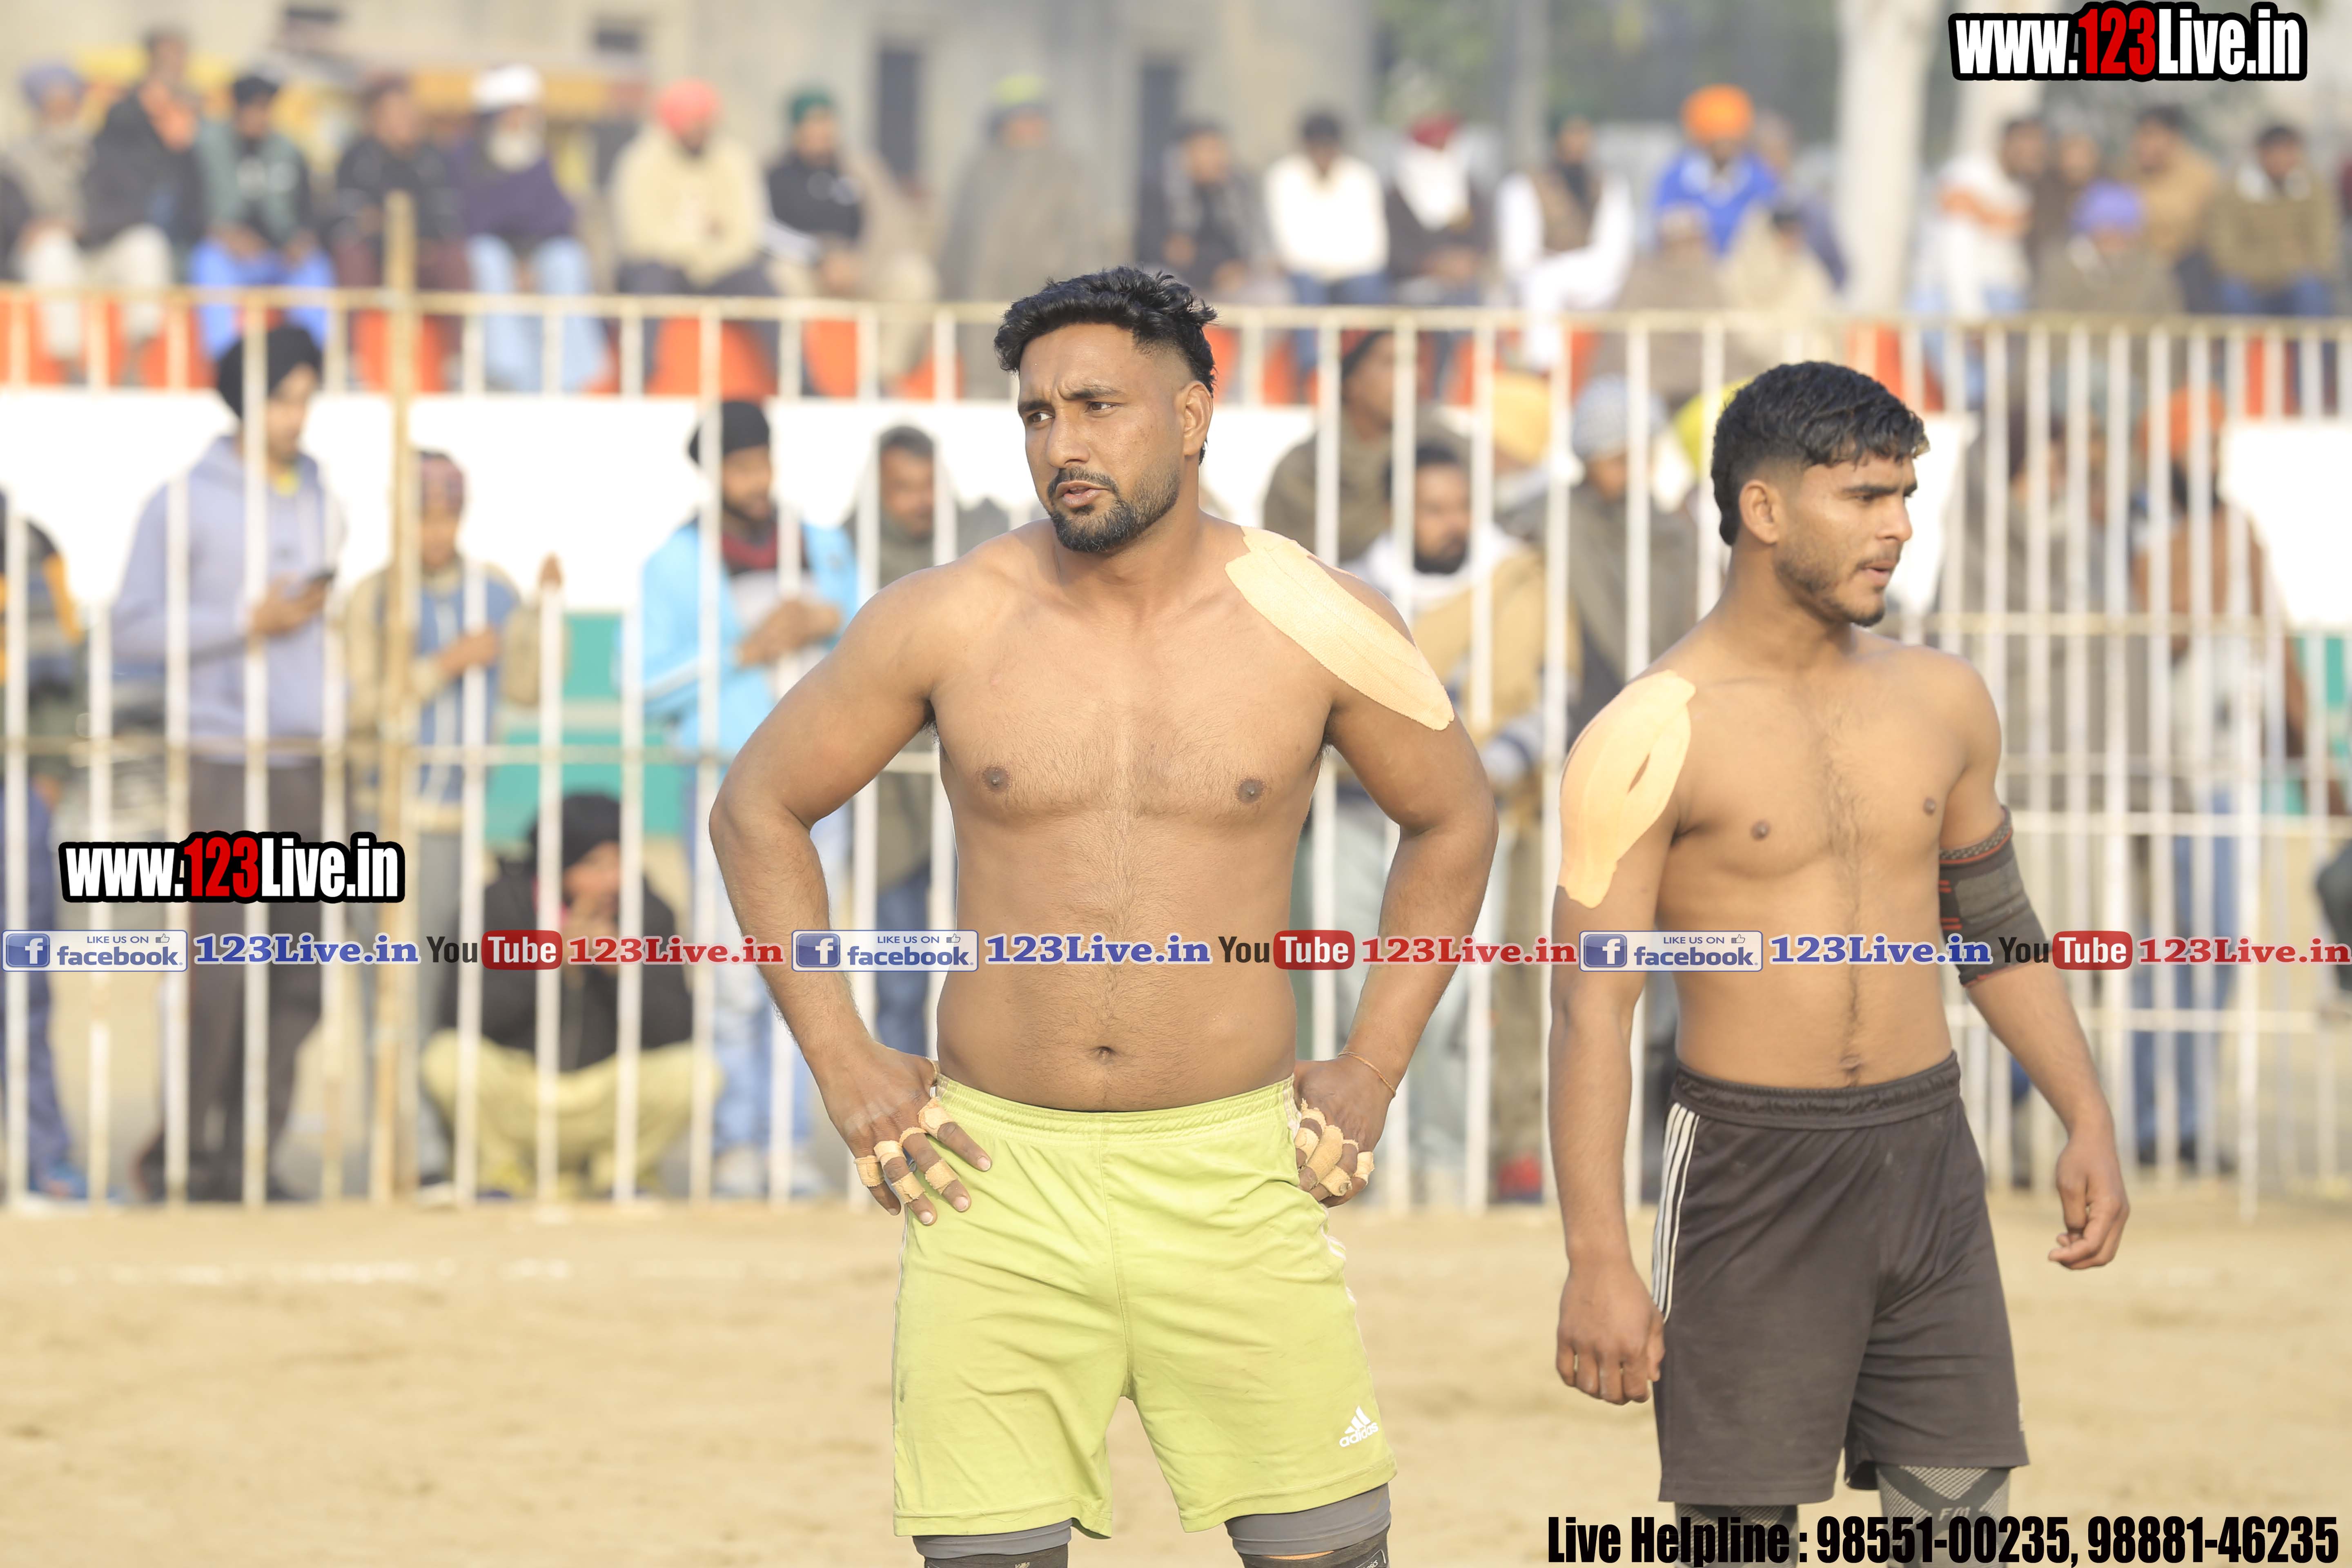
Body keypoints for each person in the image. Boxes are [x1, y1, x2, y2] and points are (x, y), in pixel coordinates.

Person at [711, 264, 1492, 1566]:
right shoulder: (948, 615)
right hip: (991, 1181)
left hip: (1236, 1174)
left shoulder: (1321, 618)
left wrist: (1371, 1067)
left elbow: (1456, 816)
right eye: (1037, 414)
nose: (1061, 445)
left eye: (1096, 407)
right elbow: (757, 807)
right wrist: (843, 1060)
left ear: (1192, 417)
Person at [1549, 360, 2128, 1524]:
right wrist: (1597, 1256)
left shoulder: (1944, 700)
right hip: (1750, 1169)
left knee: (1960, 1522)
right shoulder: (1648, 731)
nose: (1898, 527)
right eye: (1865, 496)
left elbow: (1993, 931)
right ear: (1762, 510)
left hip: (1928, 1155)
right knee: (1738, 1535)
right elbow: (1589, 1007)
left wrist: (2086, 1114)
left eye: (1904, 495)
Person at [115, 326, 341, 1203]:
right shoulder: (182, 504)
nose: (297, 417)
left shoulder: (321, 496)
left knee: (297, 971)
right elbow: (132, 630)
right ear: (246, 401)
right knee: (217, 967)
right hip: (221, 759)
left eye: (306, 399)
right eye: (284, 399)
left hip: (305, 762)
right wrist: (244, 624)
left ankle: (254, 1154)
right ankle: (185, 1152)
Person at [639, 400, 861, 1199]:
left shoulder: (821, 545)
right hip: (726, 781)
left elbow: (877, 643)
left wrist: (830, 620)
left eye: (762, 461)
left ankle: (788, 1145)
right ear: (713, 474)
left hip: (820, 783)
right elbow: (643, 681)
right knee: (735, 972)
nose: (756, 479)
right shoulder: (675, 562)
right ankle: (733, 1143)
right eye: (739, 466)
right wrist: (744, 651)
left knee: (806, 966)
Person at [1336, 440, 1545, 1202]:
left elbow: (1548, 697)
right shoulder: (1351, 590)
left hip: (1468, 823)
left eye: (1461, 506)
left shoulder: (1516, 581)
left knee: (1450, 1002)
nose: (1452, 522)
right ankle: (1364, 1166)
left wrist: (1479, 777)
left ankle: (1447, 1169)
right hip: (1356, 818)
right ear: (1399, 511)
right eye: (1434, 509)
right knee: (1350, 991)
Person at [345, 450, 557, 1081]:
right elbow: (357, 710)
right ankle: (397, 1128)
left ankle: (433, 1126)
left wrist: (544, 615)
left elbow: (527, 688)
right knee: (390, 982)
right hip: (385, 816)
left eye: (447, 517)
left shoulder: (492, 591)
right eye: (423, 517)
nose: (436, 532)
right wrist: (443, 665)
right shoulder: (372, 598)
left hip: (458, 818)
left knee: (443, 982)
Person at [422, 793, 698, 1198]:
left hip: (605, 1097)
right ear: (559, 861)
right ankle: (500, 1171)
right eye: (596, 865)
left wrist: (621, 970)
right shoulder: (498, 904)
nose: (613, 880)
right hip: (522, 1094)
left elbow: (676, 1030)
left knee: (695, 1071)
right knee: (447, 1060)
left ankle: (620, 1174)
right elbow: (463, 1016)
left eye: (621, 863)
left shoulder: (649, 911)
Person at [860, 427, 1011, 1059]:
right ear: (877, 490)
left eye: (928, 486)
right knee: (899, 982)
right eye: (903, 488)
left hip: (973, 789)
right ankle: (905, 1097)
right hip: (888, 798)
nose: (919, 501)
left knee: (986, 973)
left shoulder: (980, 545)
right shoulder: (848, 554)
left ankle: (975, 1097)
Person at [6, 62, 174, 375]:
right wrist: (47, 230)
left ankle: (134, 365)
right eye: (54, 107)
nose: (62, 115)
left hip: (99, 251)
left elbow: (131, 208)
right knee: (51, 248)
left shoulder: (103, 151)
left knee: (146, 243)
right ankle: (72, 367)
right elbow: (15, 225)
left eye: (68, 106)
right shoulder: (14, 162)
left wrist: (80, 226)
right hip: (47, 263)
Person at [938, 77, 1110, 374]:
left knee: (1041, 376)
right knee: (984, 374)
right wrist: (946, 288)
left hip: (1045, 296)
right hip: (983, 301)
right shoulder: (980, 170)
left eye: (1033, 116)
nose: (1026, 126)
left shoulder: (1067, 170)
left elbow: (1086, 239)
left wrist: (1082, 299)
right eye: (1018, 117)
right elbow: (957, 239)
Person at [613, 78, 778, 378]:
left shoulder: (735, 159)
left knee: (761, 284)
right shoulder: (641, 161)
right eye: (691, 121)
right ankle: (638, 377)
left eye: (705, 121)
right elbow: (641, 236)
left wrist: (706, 255)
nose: (699, 129)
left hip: (721, 268)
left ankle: (798, 380)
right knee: (649, 279)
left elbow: (747, 234)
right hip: (663, 267)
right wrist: (700, 241)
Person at [456, 65, 604, 392]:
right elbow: (472, 219)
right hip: (494, 251)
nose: (523, 120)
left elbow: (557, 218)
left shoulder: (541, 158)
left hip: (537, 253)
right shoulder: (467, 158)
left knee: (568, 260)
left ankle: (571, 377)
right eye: (517, 111)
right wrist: (516, 262)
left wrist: (529, 260)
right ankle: (508, 372)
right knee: (486, 258)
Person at [1260, 329, 1461, 563]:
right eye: (1392, 363)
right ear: (1351, 381)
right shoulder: (1301, 471)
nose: (1415, 376)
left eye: (1416, 362)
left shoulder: (1447, 448)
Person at [189, 72, 332, 363]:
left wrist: (302, 240)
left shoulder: (289, 150)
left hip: (280, 256)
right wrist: (222, 234)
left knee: (315, 267)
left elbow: (309, 211)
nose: (259, 116)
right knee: (208, 262)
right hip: (230, 255)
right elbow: (188, 209)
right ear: (237, 109)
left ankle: (314, 361)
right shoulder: (206, 148)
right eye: (252, 108)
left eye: (265, 108)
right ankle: (224, 362)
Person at [1495, 112, 1635, 358]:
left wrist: (1564, 269)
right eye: (1572, 133)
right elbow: (1518, 257)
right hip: (1534, 285)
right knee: (1542, 283)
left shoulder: (1608, 185)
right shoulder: (1523, 185)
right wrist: (1553, 271)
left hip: (1596, 285)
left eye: (1584, 134)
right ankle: (1544, 366)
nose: (1578, 142)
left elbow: (1614, 253)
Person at [1265, 109, 1387, 374]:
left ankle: (1361, 367)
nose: (1323, 156)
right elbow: (1291, 249)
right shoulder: (1284, 177)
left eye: (1328, 148)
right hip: (1306, 277)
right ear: (1305, 147)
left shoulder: (1361, 178)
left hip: (1354, 275)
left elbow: (1373, 250)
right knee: (1305, 291)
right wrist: (1329, 260)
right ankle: (1312, 373)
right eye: (1316, 149)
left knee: (1370, 289)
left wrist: (1329, 262)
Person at [329, 75, 468, 288]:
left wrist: (419, 239)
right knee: (351, 255)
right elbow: (350, 215)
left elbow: (447, 213)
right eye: (396, 114)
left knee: (453, 256)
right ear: (378, 119)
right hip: (373, 251)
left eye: (408, 113)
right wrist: (386, 234)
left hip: (426, 249)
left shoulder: (434, 159)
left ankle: (460, 312)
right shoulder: (356, 159)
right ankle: (357, 312)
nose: (406, 120)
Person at [80, 27, 205, 262]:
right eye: (167, 60)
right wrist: (155, 111)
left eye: (179, 58)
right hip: (133, 221)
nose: (175, 67)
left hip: (184, 226)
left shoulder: (194, 113)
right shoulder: (126, 111)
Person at [1595, 203, 1729, 409]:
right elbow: (1626, 354)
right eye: (1681, 244)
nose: (1690, 252)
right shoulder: (1643, 283)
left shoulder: (1711, 284)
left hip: (1702, 397)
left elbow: (1731, 352)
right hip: (1643, 398)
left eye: (1695, 242)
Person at [1913, 115, 2043, 323]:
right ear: (2006, 143)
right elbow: (1955, 249)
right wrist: (1971, 317)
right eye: (2025, 146)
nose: (2032, 155)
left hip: (2004, 296)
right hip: (1948, 297)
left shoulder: (2024, 189)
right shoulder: (1967, 176)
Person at [2207, 124, 2338, 318]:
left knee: (2312, 289)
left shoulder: (2315, 190)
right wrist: (2265, 272)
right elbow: (2224, 250)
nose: (2281, 159)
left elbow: (2323, 246)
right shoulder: (2233, 192)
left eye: (2288, 151)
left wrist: (2293, 271)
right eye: (2274, 152)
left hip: (2297, 282)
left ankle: (2311, 339)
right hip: (2250, 283)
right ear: (2260, 153)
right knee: (2231, 290)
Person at [1134, 118, 1263, 297]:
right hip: (1175, 276)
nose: (1219, 159)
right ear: (1186, 153)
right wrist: (1211, 268)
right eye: (1210, 151)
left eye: (1221, 150)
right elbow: (1165, 251)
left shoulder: (1234, 188)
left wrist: (1235, 268)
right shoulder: (1159, 187)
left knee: (1269, 291)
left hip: (1227, 279)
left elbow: (1240, 244)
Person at [1651, 85, 1777, 258]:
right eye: (1717, 139)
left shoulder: (1759, 179)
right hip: (1693, 267)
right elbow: (1663, 225)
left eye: (1730, 138)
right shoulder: (1677, 179)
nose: (1724, 146)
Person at [2032, 180, 2180, 316]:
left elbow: (2169, 318)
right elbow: (2049, 315)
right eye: (2105, 228)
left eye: (2123, 228)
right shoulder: (2062, 266)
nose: (2114, 236)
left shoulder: (2150, 269)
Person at [2128, 106, 2218, 311]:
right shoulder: (2126, 174)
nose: (2142, 144)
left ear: (2173, 138)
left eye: (2150, 135)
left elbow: (2197, 230)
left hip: (2184, 262)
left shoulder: (2201, 175)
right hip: (2136, 262)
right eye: (2140, 136)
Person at [1751, 109, 1844, 289]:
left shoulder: (1812, 209)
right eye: (1764, 154)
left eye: (1777, 151)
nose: (1771, 162)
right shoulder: (1748, 208)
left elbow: (1838, 269)